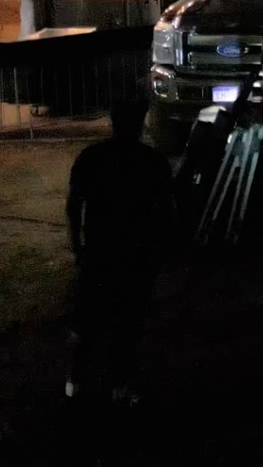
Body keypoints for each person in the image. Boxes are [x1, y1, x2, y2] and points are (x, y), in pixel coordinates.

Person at [65, 98, 174, 401]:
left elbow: (74, 206)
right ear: (141, 124)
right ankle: (120, 383)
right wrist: (161, 249)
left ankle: (76, 381)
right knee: (128, 321)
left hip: (99, 250)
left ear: (112, 122)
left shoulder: (91, 157)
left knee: (89, 319)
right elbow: (167, 210)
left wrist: (77, 246)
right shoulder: (152, 161)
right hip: (136, 252)